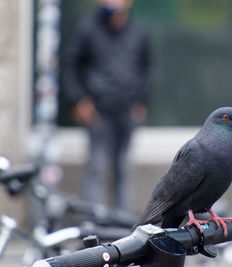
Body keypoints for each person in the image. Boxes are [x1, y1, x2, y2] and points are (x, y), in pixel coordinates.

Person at [62, 0, 151, 212]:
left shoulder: (139, 31)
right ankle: (93, 226)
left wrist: (141, 102)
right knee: (96, 170)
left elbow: (146, 69)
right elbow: (69, 64)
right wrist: (79, 99)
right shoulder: (88, 28)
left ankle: (122, 229)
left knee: (122, 170)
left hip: (126, 110)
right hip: (98, 112)